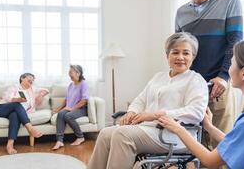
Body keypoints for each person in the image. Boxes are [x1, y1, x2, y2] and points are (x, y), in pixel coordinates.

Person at [87, 32, 209, 169]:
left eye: (186, 53)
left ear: (193, 56)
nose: (180, 57)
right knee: (105, 133)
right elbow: (140, 99)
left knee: (123, 134)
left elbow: (196, 112)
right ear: (167, 55)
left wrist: (156, 115)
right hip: (148, 129)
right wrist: (131, 112)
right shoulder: (159, 77)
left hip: (173, 136)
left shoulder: (196, 80)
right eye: (175, 52)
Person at [158, 35, 244, 168]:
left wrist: (178, 129)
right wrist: (210, 127)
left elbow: (210, 161)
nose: (229, 68)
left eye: (231, 63)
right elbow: (236, 143)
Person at [175, 0, 244, 145]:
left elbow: (235, 42)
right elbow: (180, 50)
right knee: (198, 146)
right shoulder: (181, 12)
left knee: (223, 145)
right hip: (192, 87)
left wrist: (223, 77)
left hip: (219, 85)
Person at [0, 73, 49, 154]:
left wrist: (41, 94)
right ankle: (30, 128)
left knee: (15, 116)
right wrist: (17, 99)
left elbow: (46, 90)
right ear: (22, 78)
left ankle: (10, 145)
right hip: (2, 109)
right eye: (30, 78)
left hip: (15, 112)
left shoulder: (32, 89)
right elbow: (6, 97)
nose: (32, 80)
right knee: (17, 104)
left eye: (33, 80)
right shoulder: (14, 87)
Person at [52, 65, 89, 150]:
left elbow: (84, 101)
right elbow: (66, 99)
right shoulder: (71, 85)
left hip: (81, 108)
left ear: (78, 73)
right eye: (69, 72)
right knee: (61, 114)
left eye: (71, 72)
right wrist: (59, 109)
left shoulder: (83, 84)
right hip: (70, 108)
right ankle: (59, 141)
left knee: (68, 116)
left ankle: (80, 137)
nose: (69, 74)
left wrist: (72, 109)